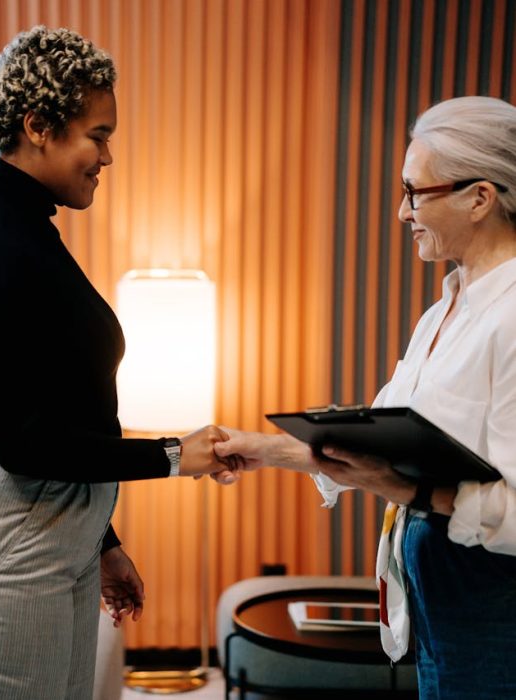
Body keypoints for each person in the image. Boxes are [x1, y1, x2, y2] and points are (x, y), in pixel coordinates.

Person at [0, 26, 234, 700]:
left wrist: (102, 539)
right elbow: (26, 443)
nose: (108, 155)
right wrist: (176, 455)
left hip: (51, 534)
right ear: (37, 126)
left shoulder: (27, 232)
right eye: (98, 134)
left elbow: (65, 409)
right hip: (2, 551)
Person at [214, 96, 516, 698]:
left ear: (479, 198)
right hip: (437, 604)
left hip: (493, 612)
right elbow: (378, 442)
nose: (403, 212)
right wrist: (261, 450)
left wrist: (405, 491)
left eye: (415, 192)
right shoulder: (444, 311)